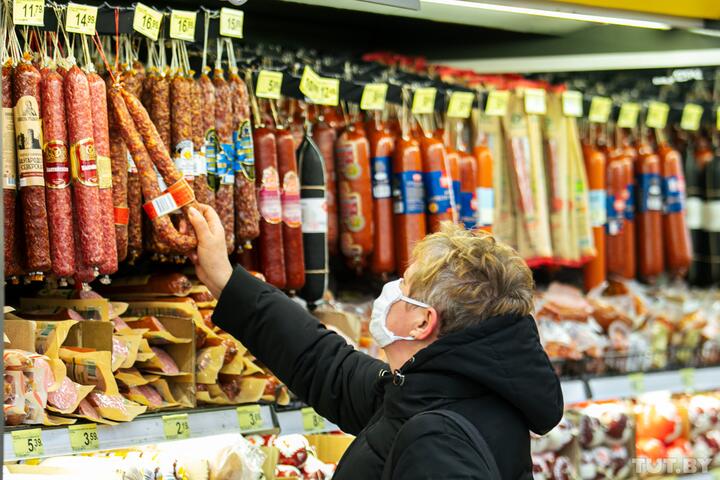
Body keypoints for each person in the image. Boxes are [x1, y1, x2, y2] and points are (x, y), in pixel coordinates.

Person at [188, 204, 563, 480]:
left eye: (403, 286)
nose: (389, 292)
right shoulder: (436, 394)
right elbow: (325, 364)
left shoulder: (437, 437)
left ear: (421, 322)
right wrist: (226, 280)